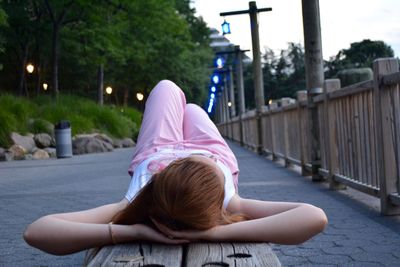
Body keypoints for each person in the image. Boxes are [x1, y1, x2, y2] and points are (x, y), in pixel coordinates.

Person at [23, 80, 328, 256]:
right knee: (193, 109)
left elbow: (36, 230)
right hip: (212, 148)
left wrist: (129, 230)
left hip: (156, 148)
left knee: (167, 87)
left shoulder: (141, 198)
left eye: (178, 166)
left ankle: (183, 119)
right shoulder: (228, 202)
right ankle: (195, 119)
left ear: (159, 181)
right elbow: (314, 217)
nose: (183, 155)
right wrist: (211, 235)